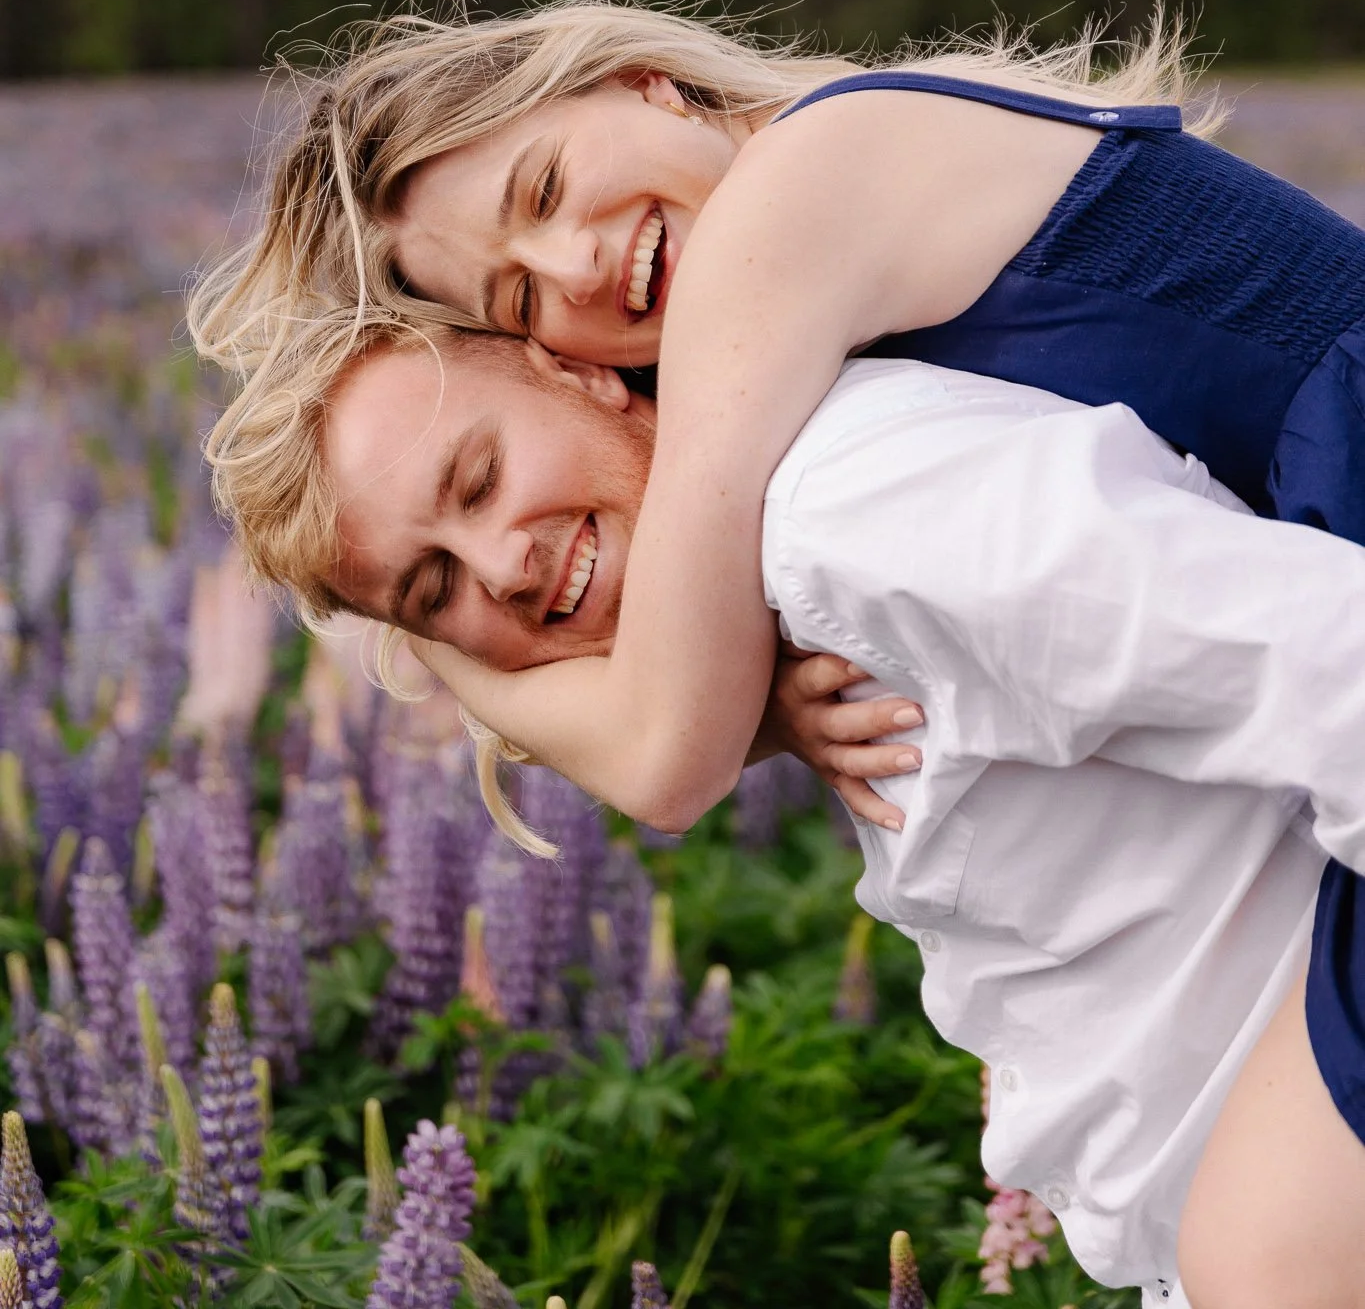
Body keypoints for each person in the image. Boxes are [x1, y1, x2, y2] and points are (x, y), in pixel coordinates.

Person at [189, 0, 1365, 1158]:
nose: (575, 261)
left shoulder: (783, 209)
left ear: (643, 80)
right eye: (522, 299)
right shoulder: (787, 262)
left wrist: (439, 639)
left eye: (542, 185)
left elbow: (662, 752)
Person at [206, 310, 1365, 1309]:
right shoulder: (773, 598)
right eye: (434, 588)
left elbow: (1337, 660)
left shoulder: (858, 518)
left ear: (582, 366)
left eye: (478, 477)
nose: (500, 566)